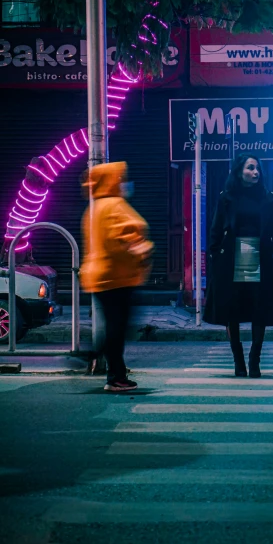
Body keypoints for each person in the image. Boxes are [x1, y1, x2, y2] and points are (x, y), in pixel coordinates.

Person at [204, 154, 273, 377]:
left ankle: (254, 360)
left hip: (259, 257)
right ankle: (238, 360)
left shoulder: (268, 198)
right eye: (250, 168)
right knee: (233, 309)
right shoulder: (226, 198)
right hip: (231, 258)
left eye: (258, 168)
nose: (256, 172)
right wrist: (215, 255)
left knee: (260, 308)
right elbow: (216, 229)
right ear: (239, 171)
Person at [80, 161, 153, 392]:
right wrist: (142, 249)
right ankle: (113, 374)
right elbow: (126, 234)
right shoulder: (114, 205)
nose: (124, 184)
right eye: (121, 179)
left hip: (99, 276)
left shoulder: (94, 208)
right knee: (119, 326)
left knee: (116, 325)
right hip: (117, 276)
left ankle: (104, 361)